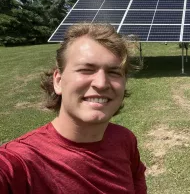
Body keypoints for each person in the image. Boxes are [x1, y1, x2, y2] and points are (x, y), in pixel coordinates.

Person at [0, 24, 147, 193]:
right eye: (86, 70)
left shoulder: (125, 140)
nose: (101, 83)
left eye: (114, 72)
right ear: (58, 81)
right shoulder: (20, 163)